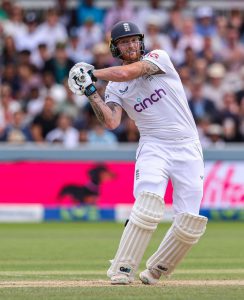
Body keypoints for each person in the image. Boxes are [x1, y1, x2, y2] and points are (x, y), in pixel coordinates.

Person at [68, 21, 208, 285]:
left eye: (134, 40)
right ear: (116, 48)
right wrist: (89, 91)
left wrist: (92, 72)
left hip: (188, 146)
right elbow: (111, 121)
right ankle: (122, 268)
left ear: (141, 42)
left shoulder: (159, 58)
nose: (130, 45)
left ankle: (156, 270)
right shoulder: (114, 88)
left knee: (190, 223)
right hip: (153, 146)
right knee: (148, 205)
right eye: (124, 42)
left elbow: (127, 73)